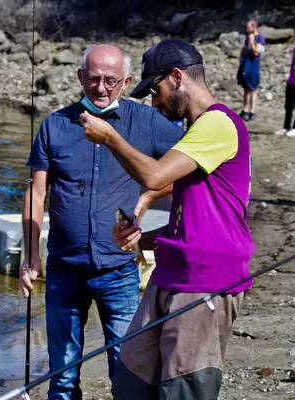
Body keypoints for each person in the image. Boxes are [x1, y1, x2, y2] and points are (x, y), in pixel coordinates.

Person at [81, 39, 255, 400]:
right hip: (170, 274)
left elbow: (156, 176)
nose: (153, 101)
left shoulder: (220, 123)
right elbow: (191, 211)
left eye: (156, 90)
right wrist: (141, 238)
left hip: (206, 280)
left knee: (183, 390)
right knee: (131, 380)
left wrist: (110, 137)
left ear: (177, 77)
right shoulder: (195, 134)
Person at [20, 44, 183, 399]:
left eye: (110, 80)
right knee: (61, 381)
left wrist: (149, 195)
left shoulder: (148, 122)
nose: (101, 87)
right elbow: (36, 194)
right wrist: (29, 255)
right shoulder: (54, 125)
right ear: (80, 77)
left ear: (126, 81)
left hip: (119, 272)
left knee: (126, 374)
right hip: (63, 271)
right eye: (93, 78)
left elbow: (191, 170)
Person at [237, 19, 265, 121]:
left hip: (253, 65)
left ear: (254, 27)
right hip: (245, 64)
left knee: (253, 89)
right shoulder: (247, 37)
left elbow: (256, 52)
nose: (246, 29)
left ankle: (252, 111)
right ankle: (245, 109)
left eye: (248, 27)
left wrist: (252, 41)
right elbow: (245, 49)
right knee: (246, 88)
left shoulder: (260, 38)